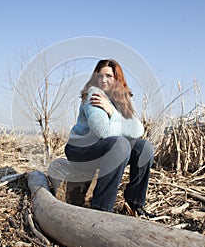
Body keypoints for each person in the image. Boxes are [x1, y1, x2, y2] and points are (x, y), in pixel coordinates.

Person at [64, 59, 155, 218]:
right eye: (100, 76)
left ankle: (134, 204)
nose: (103, 80)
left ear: (117, 79)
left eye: (109, 76)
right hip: (80, 149)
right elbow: (103, 131)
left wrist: (112, 113)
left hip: (102, 148)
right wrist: (123, 124)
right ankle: (101, 207)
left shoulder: (121, 99)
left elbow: (138, 129)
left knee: (144, 148)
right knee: (120, 144)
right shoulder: (94, 95)